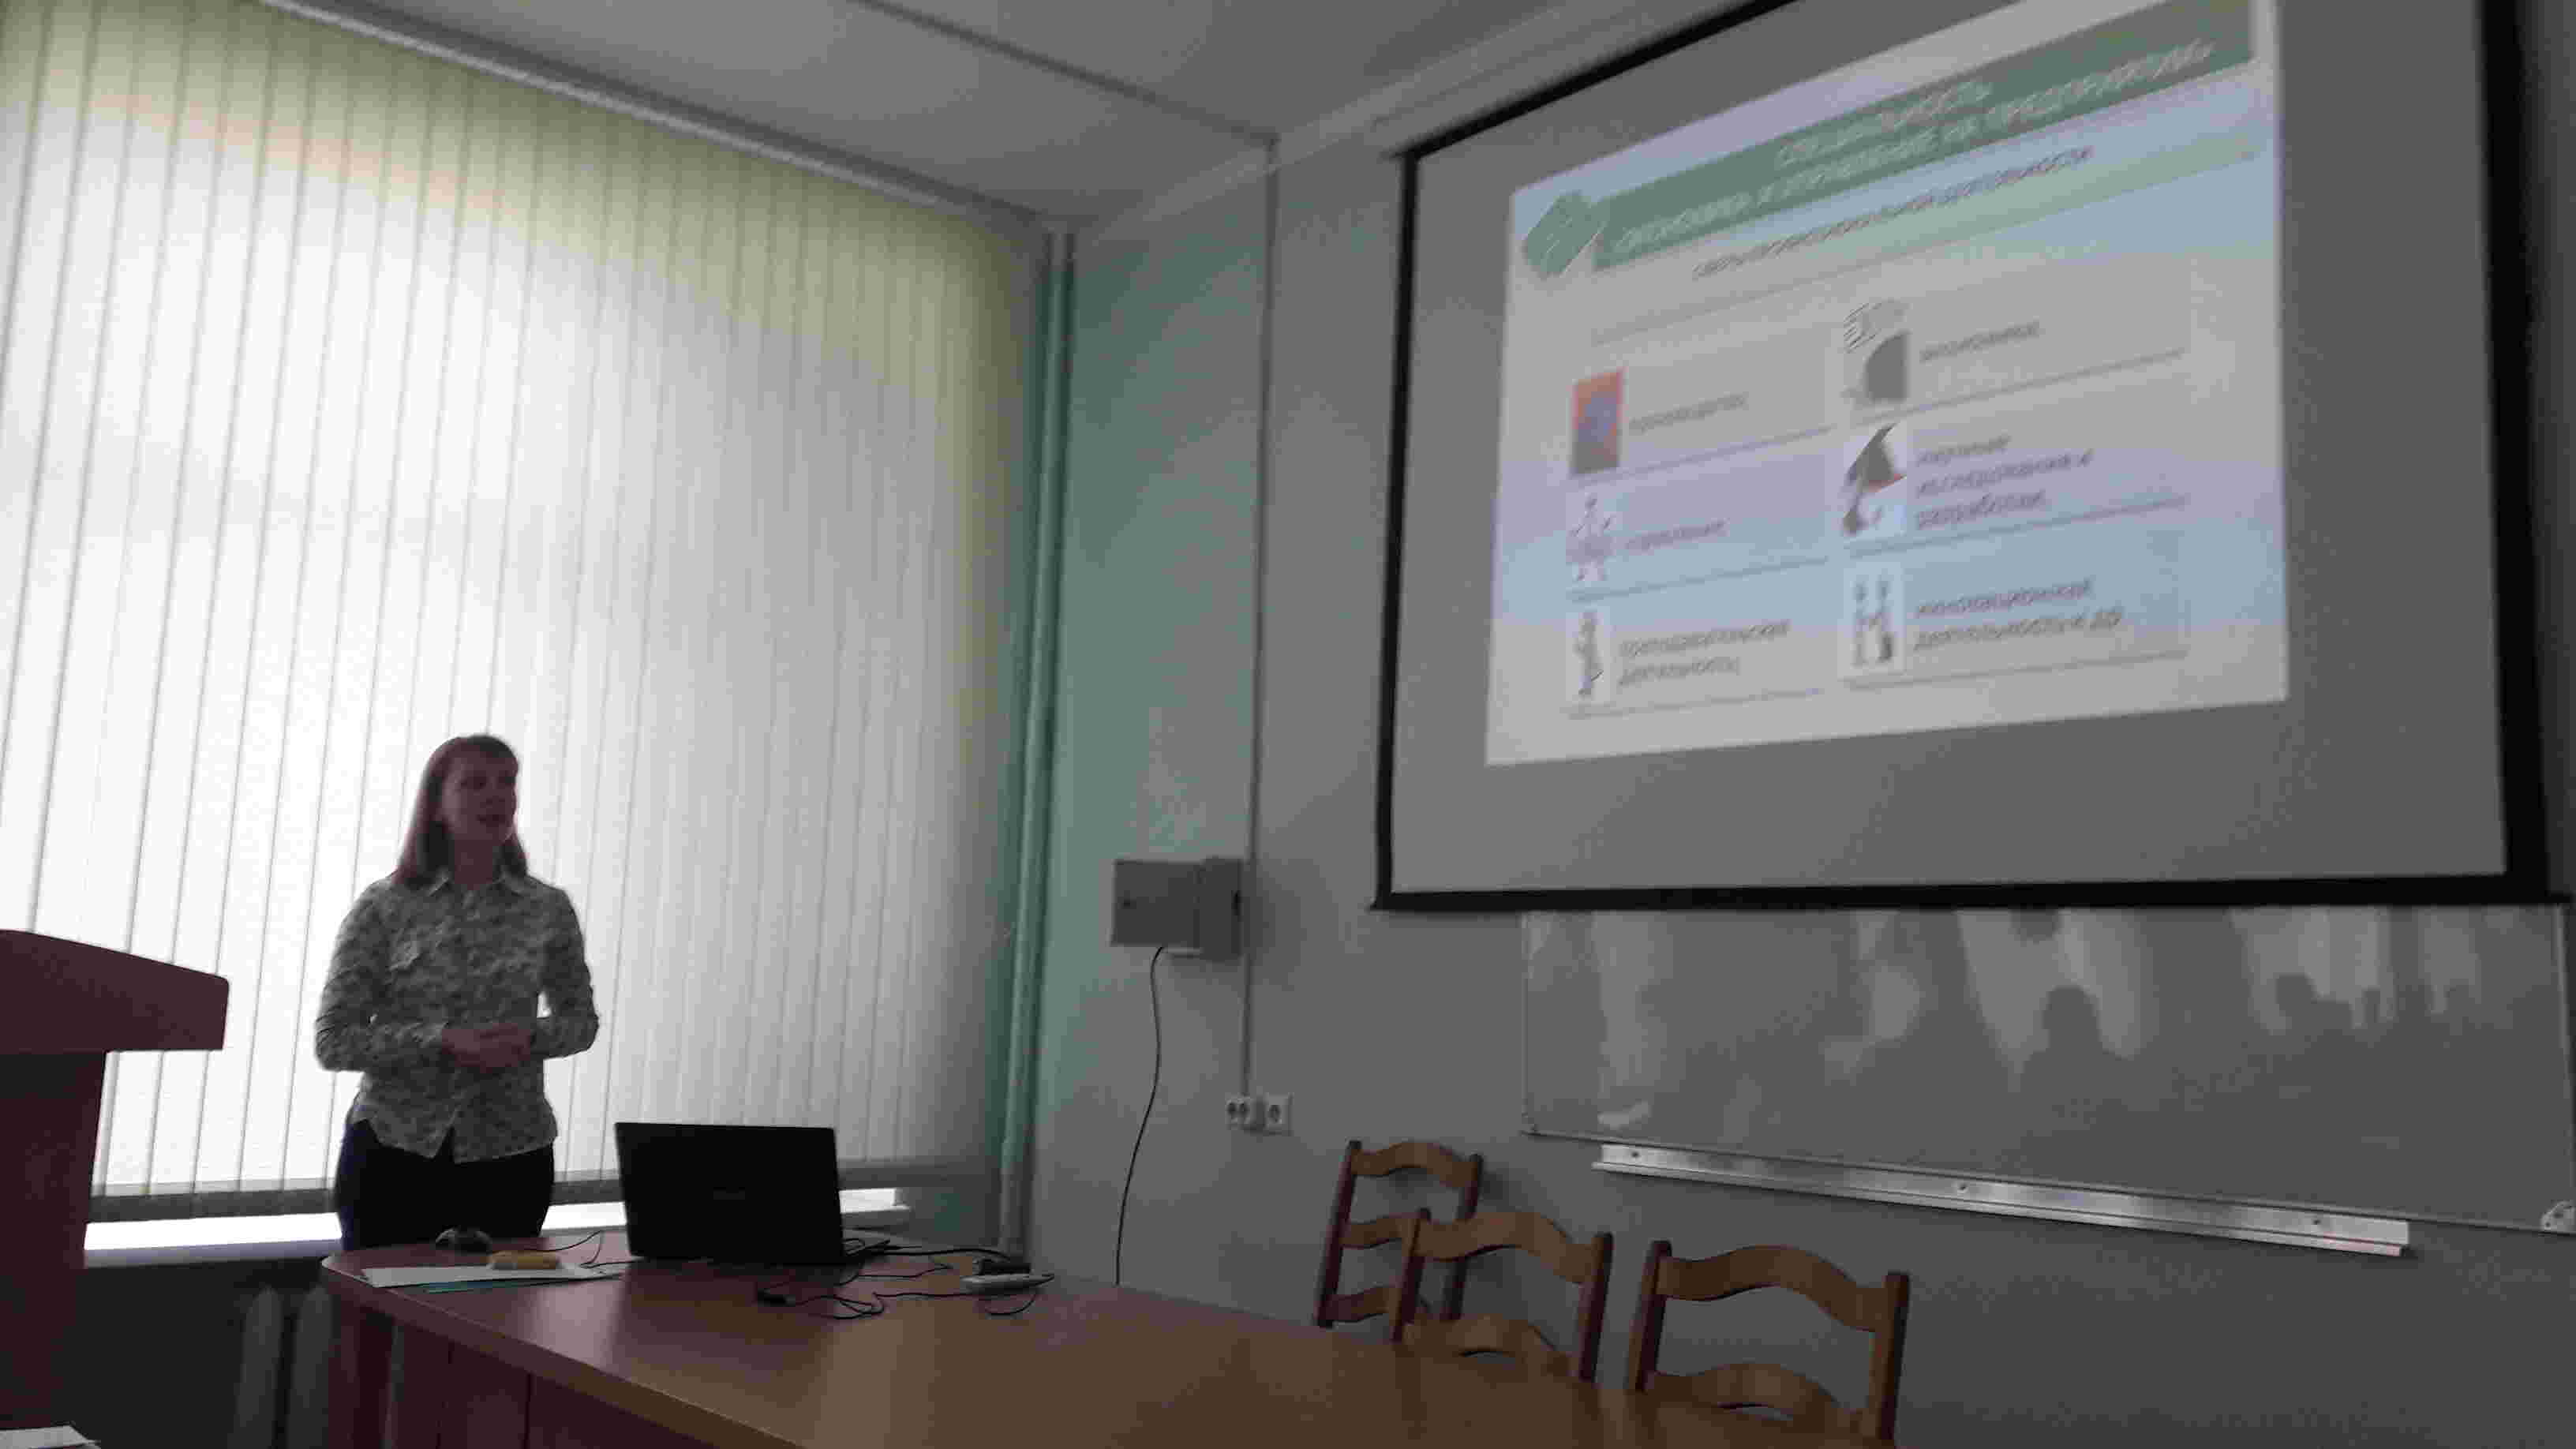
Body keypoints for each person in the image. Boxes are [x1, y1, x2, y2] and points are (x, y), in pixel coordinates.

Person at [316, 734, 599, 1251]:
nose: (497, 795)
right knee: (380, 1301)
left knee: (499, 1303)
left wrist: (528, 1038)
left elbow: (581, 1023)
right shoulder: (383, 907)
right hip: (396, 1154)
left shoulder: (548, 908)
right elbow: (334, 1041)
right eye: (474, 783)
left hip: (511, 1155)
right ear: (437, 806)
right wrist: (443, 1041)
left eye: (507, 782)